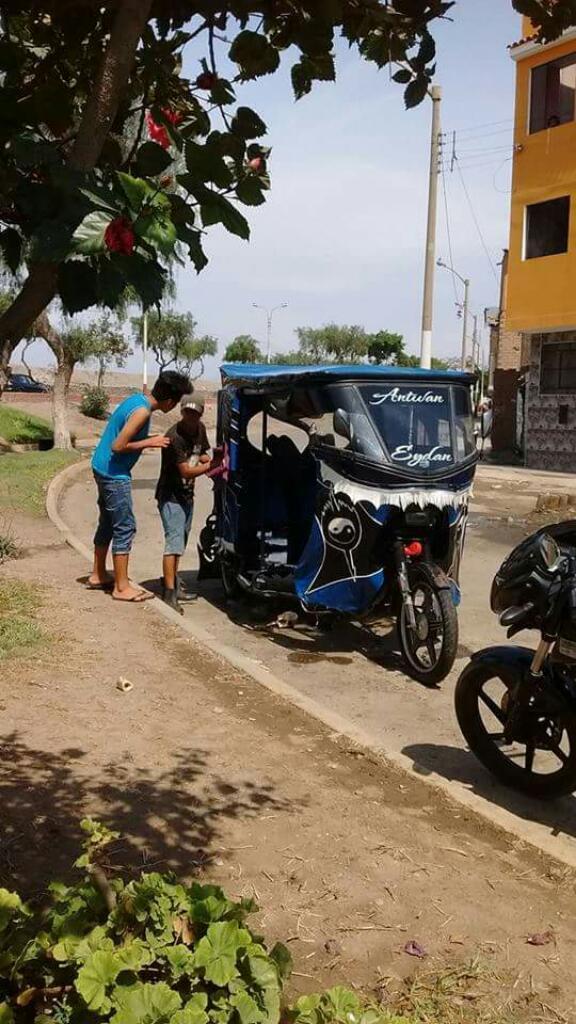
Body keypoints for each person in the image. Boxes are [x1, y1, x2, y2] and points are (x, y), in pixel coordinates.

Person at [89, 371, 192, 602]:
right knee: (125, 526)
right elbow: (118, 446)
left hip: (101, 466)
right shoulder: (143, 411)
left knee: (107, 521)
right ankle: (122, 586)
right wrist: (151, 442)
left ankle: (97, 574)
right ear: (169, 401)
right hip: (114, 474)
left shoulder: (138, 400)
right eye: (175, 403)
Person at [155, 394, 214, 613]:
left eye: (195, 413)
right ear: (181, 412)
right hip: (171, 496)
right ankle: (169, 593)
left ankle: (174, 583)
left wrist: (215, 459)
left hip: (187, 495)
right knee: (174, 543)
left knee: (180, 543)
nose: (191, 417)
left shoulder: (200, 430)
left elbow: (202, 454)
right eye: (187, 412)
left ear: (200, 414)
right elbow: (186, 470)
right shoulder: (174, 437)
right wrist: (211, 467)